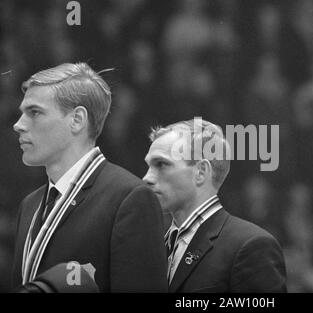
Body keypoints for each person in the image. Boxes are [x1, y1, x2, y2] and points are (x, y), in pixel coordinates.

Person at [11, 63, 167, 292]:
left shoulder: (129, 199)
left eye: (34, 112)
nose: (18, 125)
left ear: (77, 120)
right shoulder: (30, 205)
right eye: (22, 113)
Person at [143, 118, 287, 292]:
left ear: (201, 172)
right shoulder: (153, 246)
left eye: (161, 164)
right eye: (149, 165)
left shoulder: (250, 246)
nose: (147, 178)